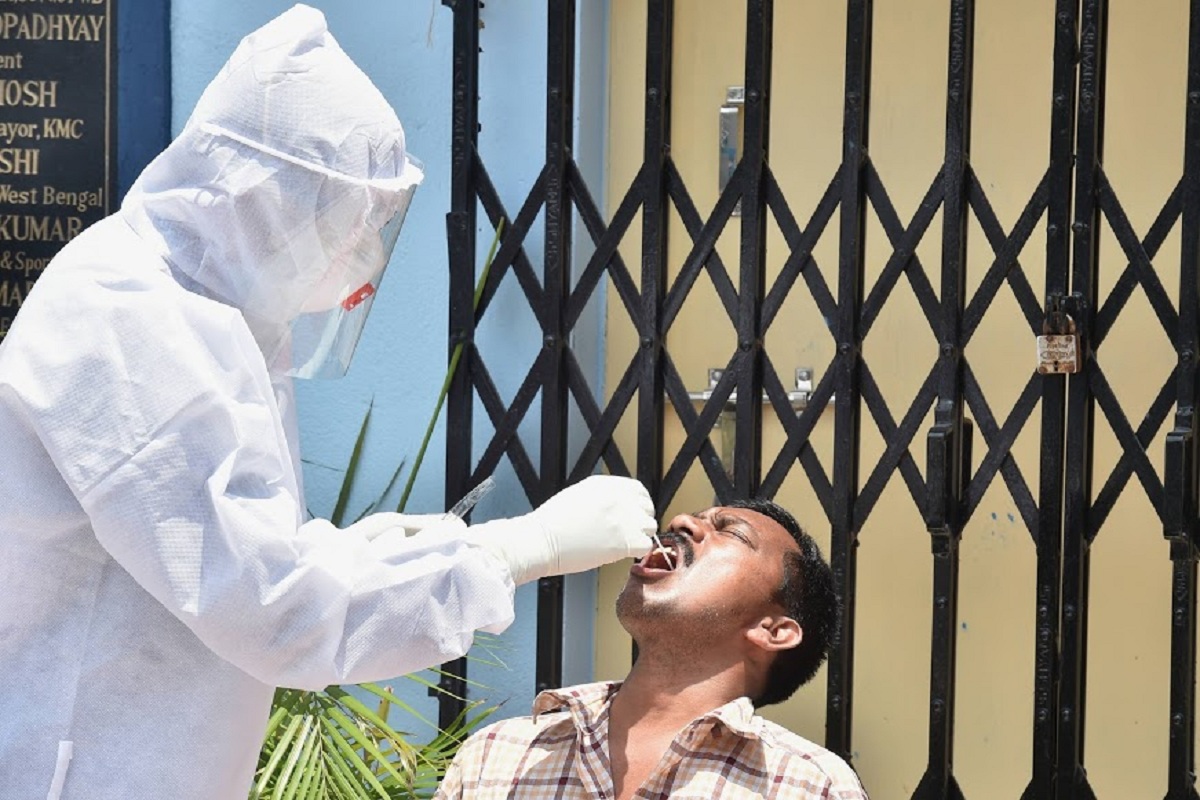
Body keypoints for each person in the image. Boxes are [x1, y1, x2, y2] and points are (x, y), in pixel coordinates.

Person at [0, 6, 655, 800]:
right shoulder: (133, 317)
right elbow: (270, 603)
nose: (362, 254)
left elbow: (249, 546)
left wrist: (393, 545)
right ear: (268, 199)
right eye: (351, 222)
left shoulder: (208, 309)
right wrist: (512, 553)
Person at [434, 499, 869, 799]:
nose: (681, 521)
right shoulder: (497, 754)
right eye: (695, 517)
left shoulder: (808, 784)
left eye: (730, 532)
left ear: (772, 630)